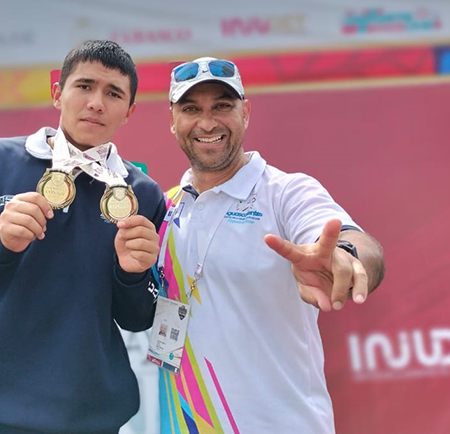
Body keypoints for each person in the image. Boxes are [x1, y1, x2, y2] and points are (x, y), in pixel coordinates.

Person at [0, 40, 166, 434]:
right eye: (84, 86)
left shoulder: (142, 194)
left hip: (85, 420)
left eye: (113, 93)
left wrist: (133, 275)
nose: (96, 103)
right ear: (57, 93)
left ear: (130, 111)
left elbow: (139, 318)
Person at [155, 57, 385, 433]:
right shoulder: (165, 209)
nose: (207, 123)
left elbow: (351, 240)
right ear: (172, 120)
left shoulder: (285, 192)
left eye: (222, 106)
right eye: (191, 109)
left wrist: (346, 257)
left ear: (245, 113)